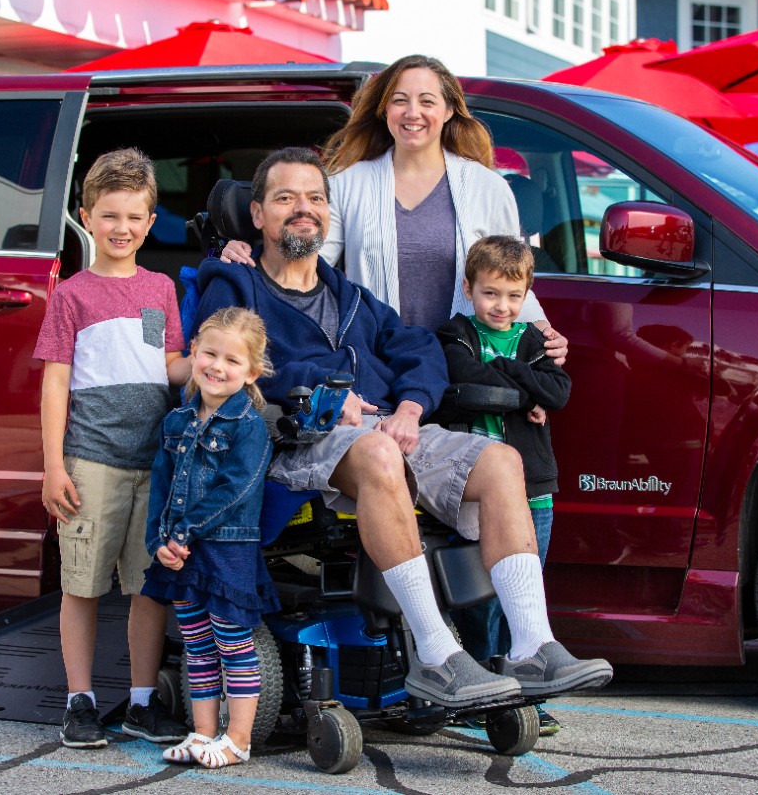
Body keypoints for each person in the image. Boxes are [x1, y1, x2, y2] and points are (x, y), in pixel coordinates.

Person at [194, 147, 611, 709]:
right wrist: (324, 387)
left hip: (388, 429)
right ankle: (437, 655)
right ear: (259, 215)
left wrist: (413, 407)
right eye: (286, 198)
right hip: (295, 436)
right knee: (380, 455)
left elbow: (418, 348)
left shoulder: (352, 298)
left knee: (500, 461)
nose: (304, 209)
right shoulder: (236, 286)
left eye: (316, 198)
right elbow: (223, 361)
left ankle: (532, 646)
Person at [219, 53, 567, 359]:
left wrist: (543, 333)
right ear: (385, 109)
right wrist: (247, 253)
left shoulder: (487, 188)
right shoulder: (347, 183)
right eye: (400, 100)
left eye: (427, 101)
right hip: (378, 365)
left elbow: (511, 276)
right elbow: (306, 264)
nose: (412, 112)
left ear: (448, 111)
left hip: (468, 371)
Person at [34, 147, 191, 749]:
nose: (121, 228)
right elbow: (55, 383)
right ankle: (80, 702)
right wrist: (54, 466)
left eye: (133, 217)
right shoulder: (71, 295)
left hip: (151, 462)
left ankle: (143, 703)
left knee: (147, 588)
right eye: (108, 216)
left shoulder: (160, 290)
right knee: (82, 585)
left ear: (151, 222)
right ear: (85, 217)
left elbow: (167, 365)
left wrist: (210, 368)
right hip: (90, 461)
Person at [434, 235, 571, 734]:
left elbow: (558, 391)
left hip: (533, 489)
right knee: (478, 597)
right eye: (491, 294)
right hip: (473, 491)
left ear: (527, 293)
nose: (502, 306)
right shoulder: (455, 335)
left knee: (523, 592)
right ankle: (481, 683)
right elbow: (470, 386)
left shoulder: (534, 339)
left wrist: (511, 372)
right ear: (469, 289)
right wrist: (524, 391)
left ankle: (527, 691)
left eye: (513, 297)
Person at [143, 307, 280, 769]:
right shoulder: (176, 422)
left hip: (226, 550)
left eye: (232, 361)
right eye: (209, 354)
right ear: (194, 354)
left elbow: (235, 489)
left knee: (232, 642)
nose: (217, 368)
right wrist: (158, 541)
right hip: (180, 551)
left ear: (252, 372)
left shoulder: (249, 427)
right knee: (196, 644)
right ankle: (203, 734)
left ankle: (238, 739)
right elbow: (159, 487)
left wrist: (183, 531)